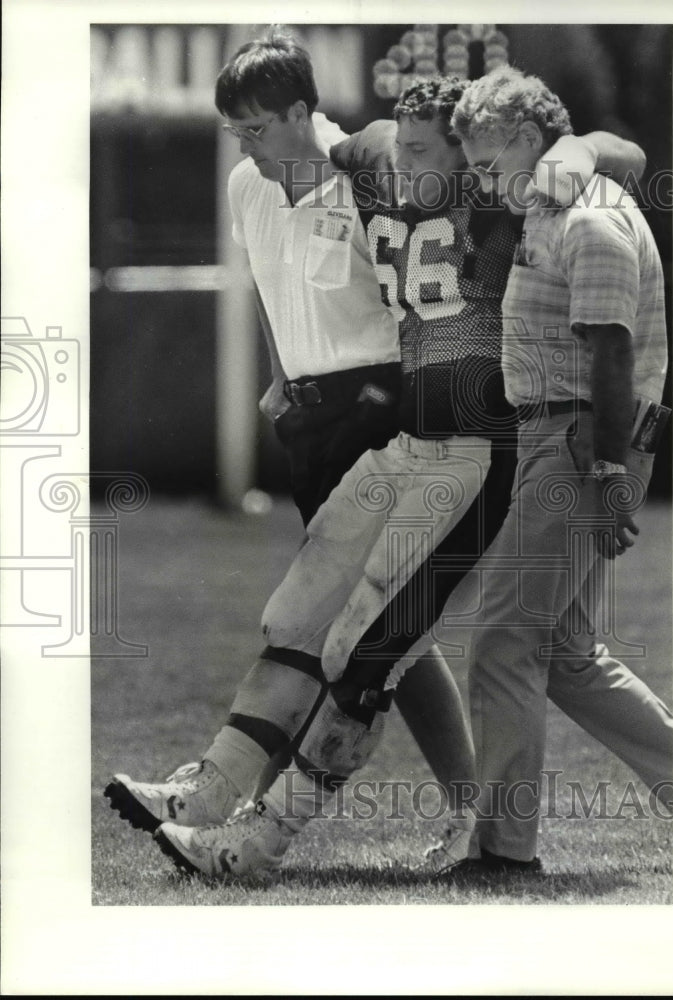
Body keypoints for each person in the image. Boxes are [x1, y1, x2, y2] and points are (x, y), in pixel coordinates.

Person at [130, 75, 668, 883]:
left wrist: (582, 146)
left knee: (382, 649)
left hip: (488, 451)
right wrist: (269, 144)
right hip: (414, 444)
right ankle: (212, 792)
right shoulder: (388, 157)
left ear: (475, 153)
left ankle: (267, 841)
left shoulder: (516, 196)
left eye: (437, 152)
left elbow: (619, 159)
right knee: (299, 618)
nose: (414, 162)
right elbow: (319, 146)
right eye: (407, 146)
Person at [104, 30, 477, 834]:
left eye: (259, 128)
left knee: (324, 627)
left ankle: (216, 792)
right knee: (370, 634)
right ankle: (471, 812)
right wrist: (279, 380)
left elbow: (418, 304)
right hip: (310, 416)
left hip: (377, 408)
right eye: (235, 131)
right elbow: (272, 290)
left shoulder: (370, 177)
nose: (247, 146)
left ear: (304, 111)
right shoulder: (247, 186)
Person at [445, 65, 673, 873]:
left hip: (580, 445)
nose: (478, 179)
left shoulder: (586, 219)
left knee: (504, 638)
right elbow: (624, 152)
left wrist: (609, 471)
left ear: (531, 141)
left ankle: (503, 851)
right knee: (566, 653)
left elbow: (609, 353)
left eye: (483, 161)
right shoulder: (554, 201)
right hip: (567, 441)